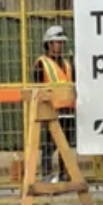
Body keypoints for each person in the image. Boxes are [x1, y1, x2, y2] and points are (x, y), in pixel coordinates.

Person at [32, 24, 76, 181]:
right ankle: (47, 174)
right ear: (49, 43)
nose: (61, 45)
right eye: (57, 42)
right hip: (52, 110)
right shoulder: (41, 63)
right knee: (50, 145)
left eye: (62, 42)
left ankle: (65, 173)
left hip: (68, 110)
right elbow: (38, 88)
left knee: (65, 145)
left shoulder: (67, 64)